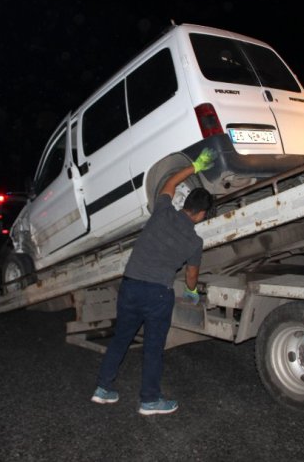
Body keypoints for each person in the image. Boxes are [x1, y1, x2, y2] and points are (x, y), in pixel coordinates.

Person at [91, 148, 215, 415]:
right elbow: (191, 276)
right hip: (157, 294)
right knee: (153, 347)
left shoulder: (162, 211)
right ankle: (149, 400)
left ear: (186, 204)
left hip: (131, 286)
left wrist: (194, 166)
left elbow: (170, 183)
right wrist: (193, 292)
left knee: (121, 338)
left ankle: (103, 388)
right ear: (202, 214)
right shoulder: (195, 242)